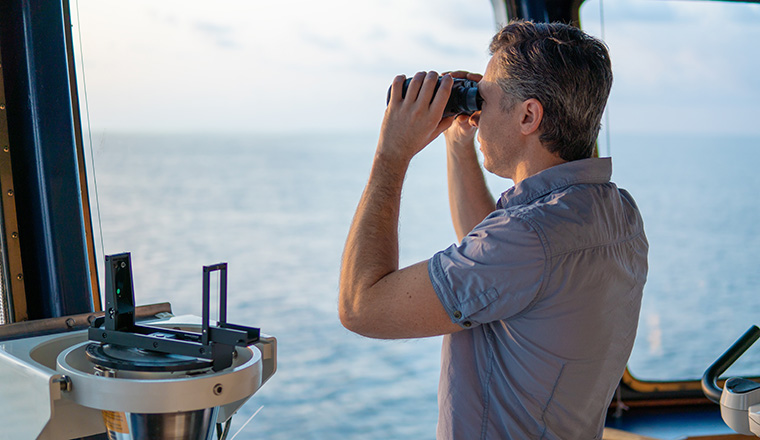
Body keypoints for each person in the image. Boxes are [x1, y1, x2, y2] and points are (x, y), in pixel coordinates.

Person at [339, 20, 648, 440]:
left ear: (528, 115)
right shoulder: (616, 212)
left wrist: (391, 155)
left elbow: (361, 307)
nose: (476, 112)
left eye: (483, 99)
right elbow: (496, 270)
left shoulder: (528, 238)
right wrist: (458, 144)